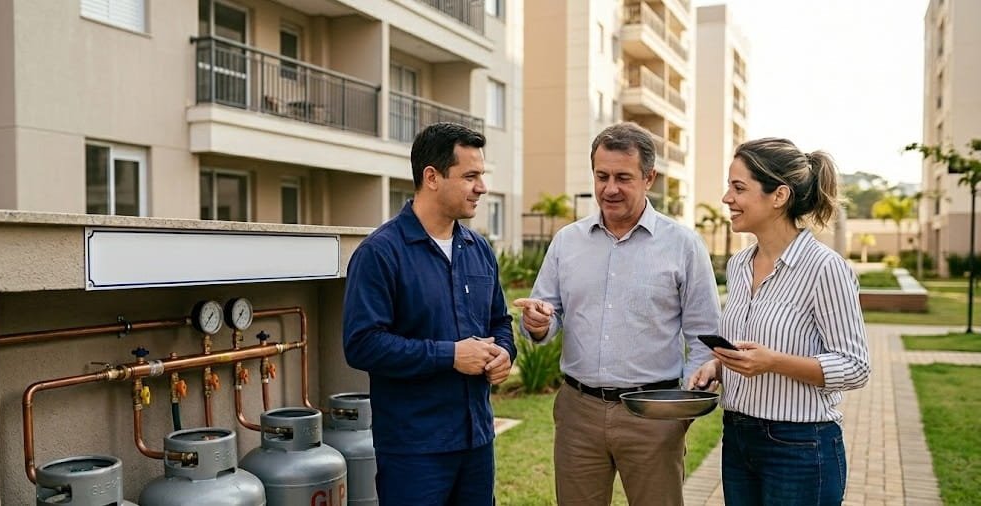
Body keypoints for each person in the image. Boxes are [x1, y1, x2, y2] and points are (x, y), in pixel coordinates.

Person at [514, 122, 721, 505]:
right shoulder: (567, 241)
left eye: (623, 177)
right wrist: (538, 323)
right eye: (602, 176)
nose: (610, 188)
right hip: (578, 412)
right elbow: (546, 313)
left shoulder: (684, 245)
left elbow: (704, 336)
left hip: (654, 414)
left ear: (649, 178)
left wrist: (683, 412)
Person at [689, 138, 871, 505]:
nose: (727, 198)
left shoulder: (824, 268)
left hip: (800, 448)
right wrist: (718, 366)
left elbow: (855, 367)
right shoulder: (739, 266)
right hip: (738, 438)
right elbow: (748, 346)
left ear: (779, 196)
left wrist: (774, 363)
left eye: (738, 187)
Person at [342, 122, 515, 506]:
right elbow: (362, 345)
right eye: (470, 176)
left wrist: (505, 353)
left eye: (481, 176)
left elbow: (500, 321)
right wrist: (451, 355)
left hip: (476, 442)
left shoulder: (478, 249)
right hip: (414, 450)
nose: (482, 188)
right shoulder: (380, 254)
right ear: (432, 177)